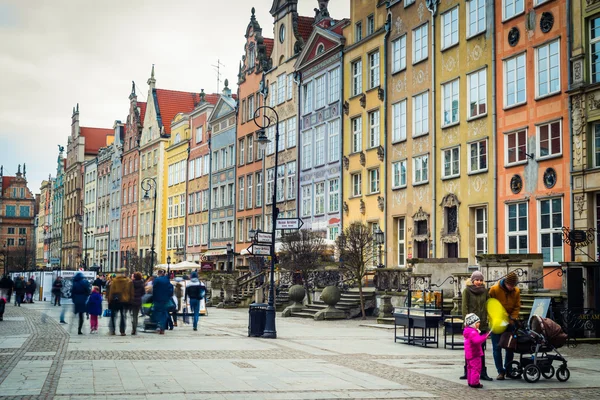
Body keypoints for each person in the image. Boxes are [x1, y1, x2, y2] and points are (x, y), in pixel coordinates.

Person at [489, 271, 521, 380]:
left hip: (510, 323)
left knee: (510, 347)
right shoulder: (494, 290)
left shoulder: (516, 291)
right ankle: (500, 371)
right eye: (510, 285)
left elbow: (517, 307)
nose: (512, 288)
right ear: (505, 282)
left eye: (513, 286)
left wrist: (513, 318)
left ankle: (508, 370)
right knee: (497, 348)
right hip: (496, 323)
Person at [460, 271, 492, 381]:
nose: (479, 282)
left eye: (481, 280)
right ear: (473, 280)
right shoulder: (467, 291)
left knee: (481, 349)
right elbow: (464, 307)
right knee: (470, 349)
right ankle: (467, 371)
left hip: (482, 324)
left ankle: (483, 371)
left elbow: (489, 305)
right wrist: (468, 323)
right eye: (477, 280)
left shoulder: (485, 291)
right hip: (471, 326)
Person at [463, 313, 491, 389]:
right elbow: (477, 341)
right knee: (476, 368)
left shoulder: (468, 331)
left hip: (469, 354)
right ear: (472, 324)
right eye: (477, 323)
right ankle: (475, 383)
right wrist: (485, 336)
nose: (479, 324)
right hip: (475, 353)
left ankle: (470, 381)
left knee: (470, 368)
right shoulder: (473, 332)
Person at [106, 268, 133, 336]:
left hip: (115, 300)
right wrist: (130, 300)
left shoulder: (114, 281)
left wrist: (109, 300)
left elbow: (111, 291)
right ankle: (122, 331)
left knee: (113, 315)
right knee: (123, 316)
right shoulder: (128, 281)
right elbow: (131, 292)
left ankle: (113, 330)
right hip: (124, 300)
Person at [152, 270, 173, 335]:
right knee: (164, 313)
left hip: (157, 299)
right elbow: (170, 289)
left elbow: (154, 289)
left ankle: (158, 326)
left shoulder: (156, 280)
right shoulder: (167, 280)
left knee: (157, 312)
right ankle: (162, 328)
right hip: (165, 299)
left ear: (158, 274)